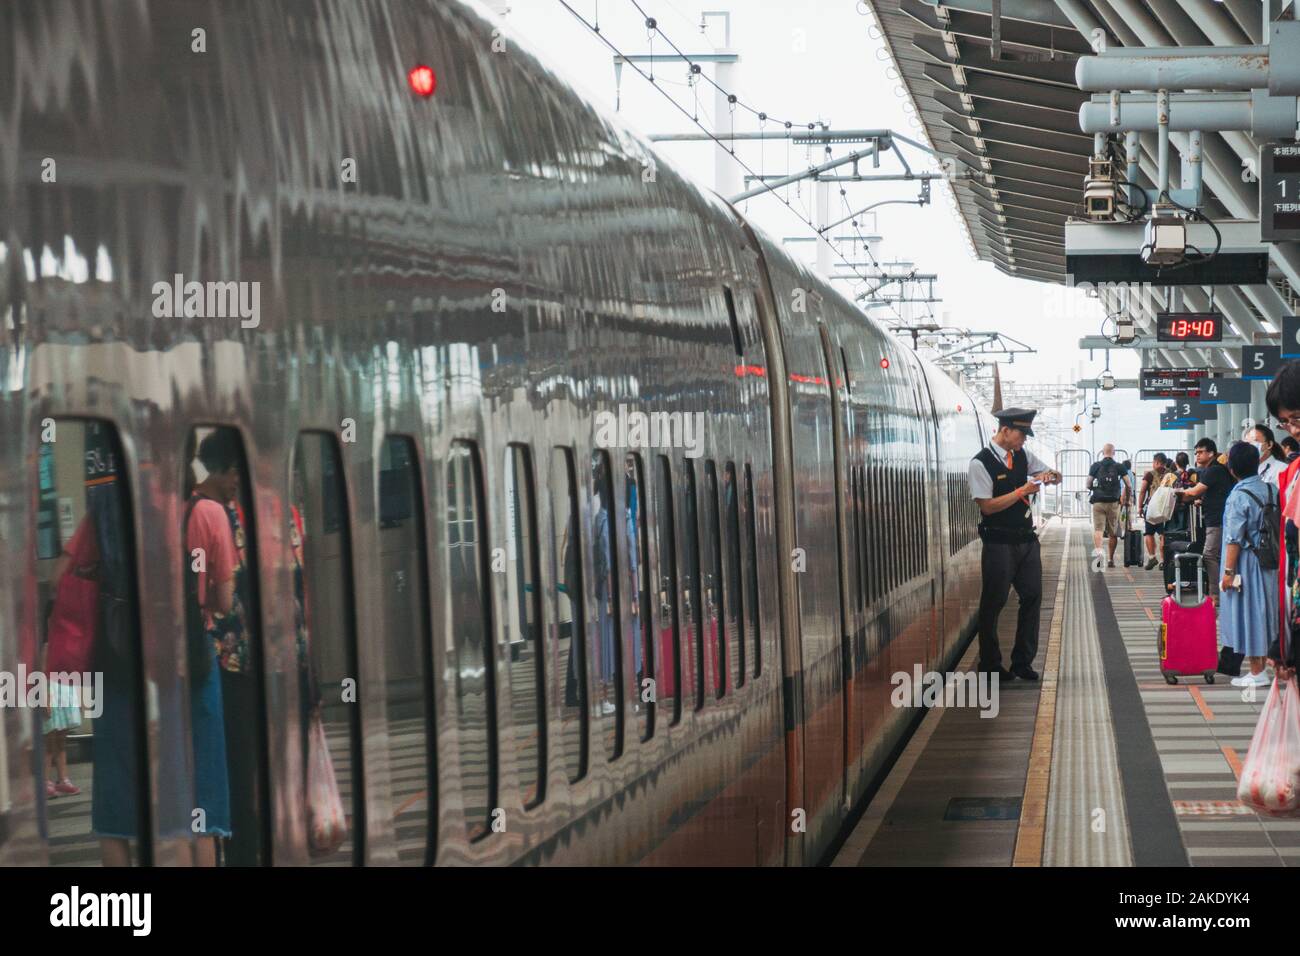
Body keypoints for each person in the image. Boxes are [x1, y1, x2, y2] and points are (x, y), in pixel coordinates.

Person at [968, 408, 1062, 681]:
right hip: (998, 543)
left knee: (1032, 597)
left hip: (1026, 541)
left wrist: (1050, 476)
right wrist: (1022, 491)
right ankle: (990, 665)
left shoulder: (1021, 456)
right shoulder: (980, 463)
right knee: (993, 603)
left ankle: (1023, 662)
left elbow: (1055, 474)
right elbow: (987, 507)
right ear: (1005, 430)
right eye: (1021, 434)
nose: (1024, 440)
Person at [184, 431, 240, 866]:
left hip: (148, 657)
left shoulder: (157, 508)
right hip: (198, 651)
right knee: (206, 781)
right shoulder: (211, 514)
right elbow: (222, 601)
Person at [1218, 442, 1278, 687]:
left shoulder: (1238, 496)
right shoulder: (1272, 489)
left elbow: (1234, 539)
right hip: (1271, 561)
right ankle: (1261, 667)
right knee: (1266, 613)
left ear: (1232, 468)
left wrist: (1228, 573)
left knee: (1250, 614)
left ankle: (1257, 672)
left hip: (1247, 564)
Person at [1266, 362, 1300, 678]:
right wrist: (1285, 640)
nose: (1293, 429)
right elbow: (1291, 560)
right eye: (1285, 422)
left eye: (1297, 417)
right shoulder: (1291, 475)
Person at [1177, 438, 1235, 606]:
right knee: (1217, 555)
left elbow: (1194, 491)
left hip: (1217, 520)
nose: (1197, 456)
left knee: (1209, 554)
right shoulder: (1218, 469)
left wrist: (1178, 493)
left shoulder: (1213, 470)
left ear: (1211, 453)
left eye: (1201, 452)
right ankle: (1219, 592)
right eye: (1195, 453)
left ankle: (1215, 595)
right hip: (1220, 517)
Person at [1087, 443, 1125, 568]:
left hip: (1098, 501)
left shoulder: (1095, 466)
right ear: (1113, 453)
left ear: (1102, 452)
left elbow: (1088, 484)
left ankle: (1098, 557)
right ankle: (1110, 559)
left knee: (1098, 530)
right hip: (1113, 503)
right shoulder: (1119, 466)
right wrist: (1127, 498)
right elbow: (1129, 485)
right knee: (1112, 532)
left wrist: (1094, 489)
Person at [1138, 453, 1174, 569]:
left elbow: (1143, 490)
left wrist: (1139, 506)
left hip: (1152, 509)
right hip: (1166, 509)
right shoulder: (1170, 474)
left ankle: (1152, 557)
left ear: (1157, 462)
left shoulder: (1149, 474)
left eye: (1154, 462)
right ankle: (1163, 561)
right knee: (1163, 535)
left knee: (1149, 533)